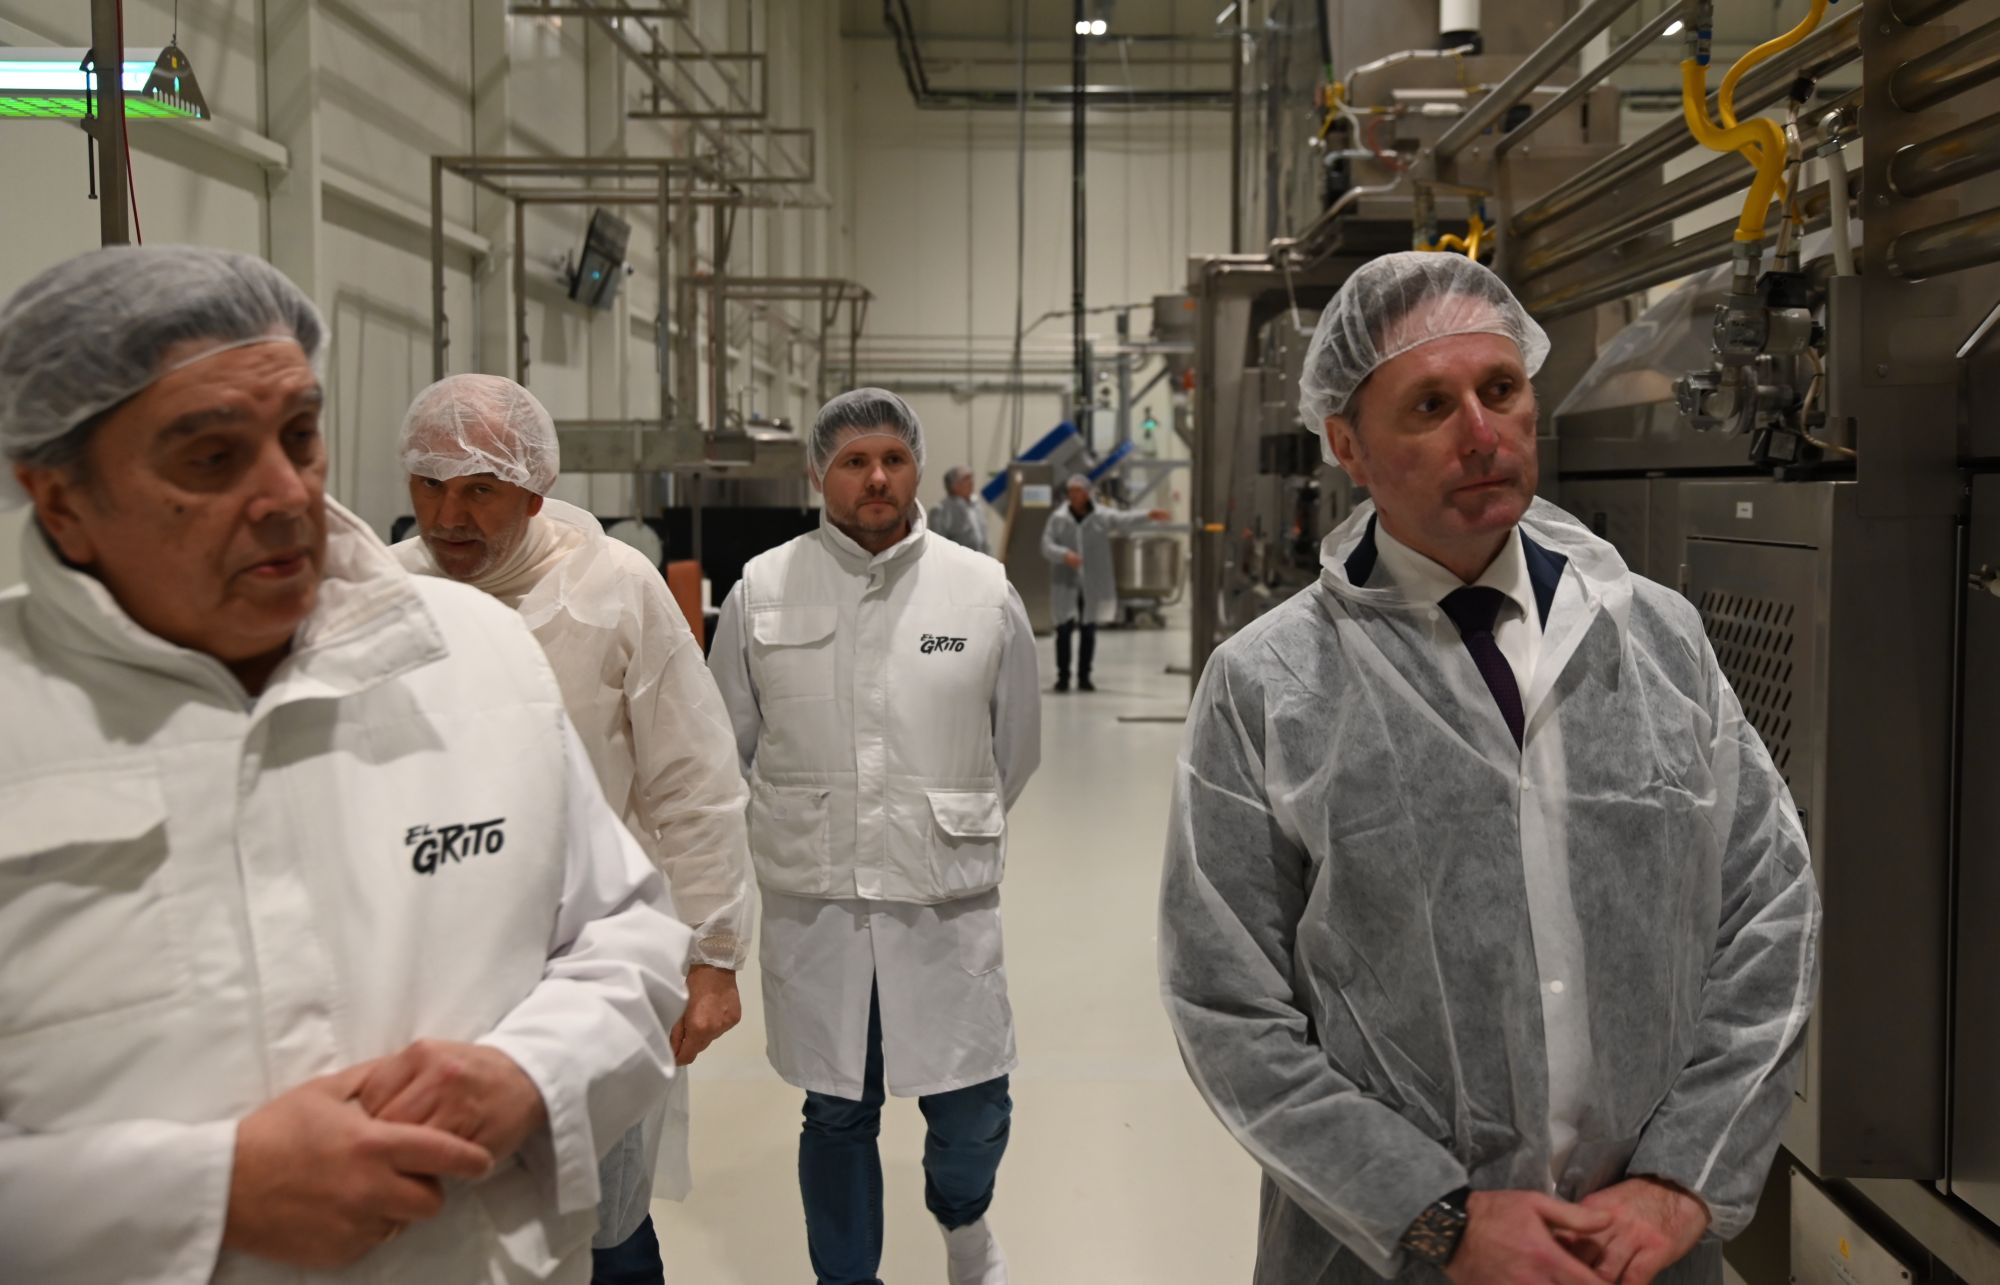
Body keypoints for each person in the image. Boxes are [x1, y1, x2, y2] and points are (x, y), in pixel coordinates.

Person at [0, 245, 691, 1282]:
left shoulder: (476, 656)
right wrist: (207, 1194)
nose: (288, 493)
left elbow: (625, 938)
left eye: (300, 435)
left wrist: (529, 1075)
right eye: (210, 457)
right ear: (59, 498)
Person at [1158, 252, 1821, 1285]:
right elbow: (1226, 1006)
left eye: (1500, 389)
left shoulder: (1656, 638)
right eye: (1430, 404)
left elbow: (1770, 914)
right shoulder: (1268, 684)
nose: (1480, 432)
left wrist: (1683, 1178)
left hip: (1638, 1254)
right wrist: (1436, 1221)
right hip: (1388, 1257)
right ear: (1346, 445)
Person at [392, 372, 756, 1285]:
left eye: (480, 488)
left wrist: (713, 953)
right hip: (428, 969)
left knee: (605, 1222)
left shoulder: (612, 586)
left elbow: (692, 778)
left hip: (590, 962)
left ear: (534, 489)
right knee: (449, 1226)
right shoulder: (384, 594)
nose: (449, 515)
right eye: (429, 484)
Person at [708, 388, 1041, 1285]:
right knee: (836, 1111)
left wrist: (932, 819)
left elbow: (1013, 748)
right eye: (854, 461)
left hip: (941, 897)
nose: (876, 477)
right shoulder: (763, 589)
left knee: (973, 1106)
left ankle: (963, 1221)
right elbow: (724, 744)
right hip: (820, 903)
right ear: (819, 473)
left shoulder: (980, 590)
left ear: (917, 467)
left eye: (892, 458)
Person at [1039, 475, 1171, 692]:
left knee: (1088, 629)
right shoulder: (1058, 518)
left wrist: (1148, 515)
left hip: (1091, 584)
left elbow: (1123, 519)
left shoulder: (1101, 516)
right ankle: (1063, 677)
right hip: (1066, 583)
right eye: (1071, 492)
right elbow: (1046, 545)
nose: (1074, 496)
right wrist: (1064, 555)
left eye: (1078, 491)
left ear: (1087, 493)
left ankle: (1084, 677)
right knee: (1063, 630)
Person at [929, 464, 991, 555]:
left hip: (982, 559)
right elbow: (938, 547)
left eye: (971, 478)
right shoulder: (940, 510)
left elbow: (984, 539)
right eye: (966, 479)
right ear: (954, 485)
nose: (971, 482)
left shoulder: (976, 505)